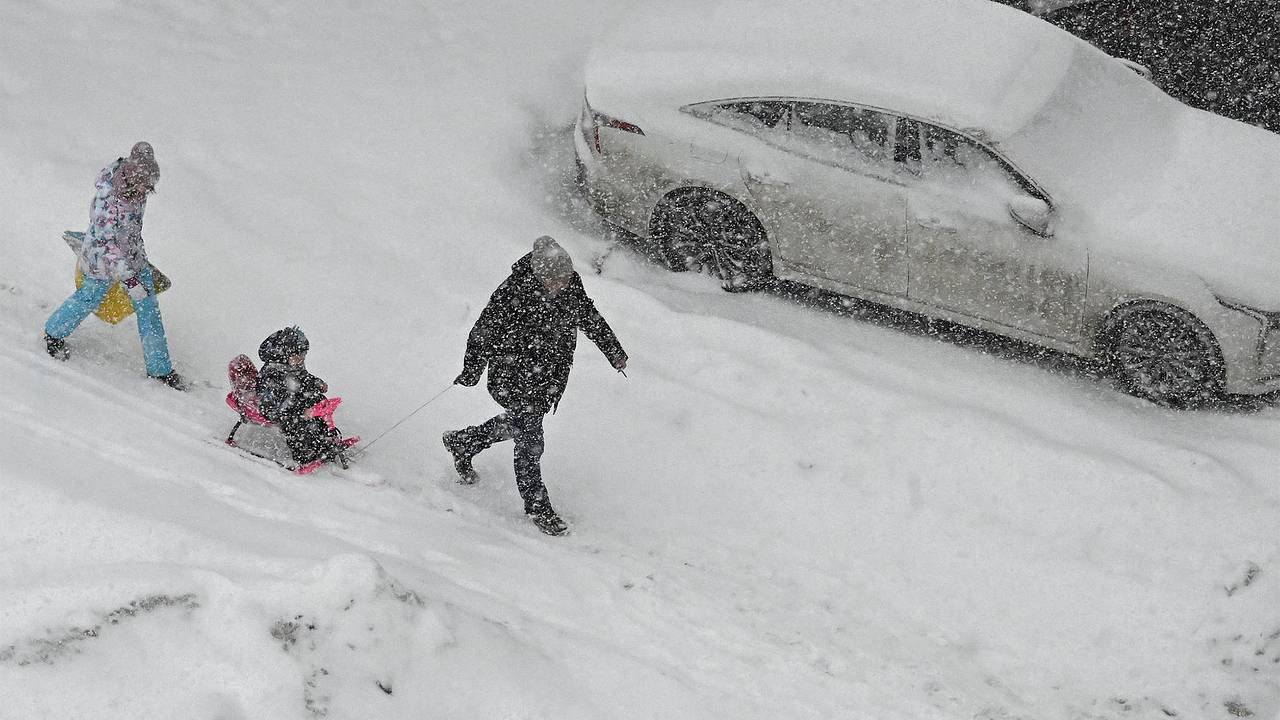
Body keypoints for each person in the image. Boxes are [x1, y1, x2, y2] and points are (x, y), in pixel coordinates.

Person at [443, 235, 628, 536]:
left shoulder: (571, 286)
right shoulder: (513, 291)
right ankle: (537, 506)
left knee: (520, 424)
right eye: (555, 282)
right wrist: (472, 369)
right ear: (540, 275)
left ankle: (464, 442)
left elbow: (590, 317)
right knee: (531, 440)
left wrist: (614, 352)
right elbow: (483, 331)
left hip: (546, 377)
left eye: (565, 280)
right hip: (511, 374)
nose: (561, 286)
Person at [43, 141, 184, 389]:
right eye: (145, 184)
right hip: (100, 261)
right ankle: (54, 333)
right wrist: (129, 280)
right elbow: (106, 244)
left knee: (149, 310)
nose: (148, 190)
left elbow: (131, 232)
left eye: (151, 185)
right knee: (88, 297)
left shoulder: (138, 190)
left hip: (134, 258)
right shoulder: (108, 200)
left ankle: (160, 370)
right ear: (132, 177)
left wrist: (138, 261)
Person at [256, 326, 346, 469]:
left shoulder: (292, 363)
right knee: (296, 419)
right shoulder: (273, 370)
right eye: (299, 354)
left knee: (317, 400)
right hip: (273, 406)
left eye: (304, 354)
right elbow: (273, 399)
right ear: (286, 352)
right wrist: (297, 404)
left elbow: (302, 378)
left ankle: (325, 436)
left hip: (290, 399)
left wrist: (315, 383)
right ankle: (302, 453)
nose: (302, 358)